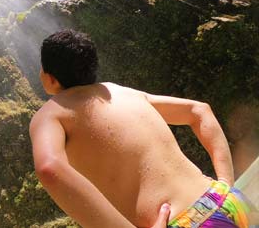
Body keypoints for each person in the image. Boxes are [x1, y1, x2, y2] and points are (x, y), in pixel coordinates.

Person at [30, 30, 257, 228]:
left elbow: (50, 168)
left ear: (48, 77)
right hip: (227, 201)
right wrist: (226, 182)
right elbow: (199, 110)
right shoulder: (122, 92)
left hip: (183, 222)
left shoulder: (51, 114)